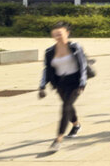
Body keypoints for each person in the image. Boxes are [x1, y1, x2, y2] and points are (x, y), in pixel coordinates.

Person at [38, 21, 89, 152]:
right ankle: (76, 125)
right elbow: (46, 69)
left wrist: (83, 81)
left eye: (60, 34)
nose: (57, 36)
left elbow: (83, 65)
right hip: (60, 83)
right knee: (68, 106)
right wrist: (42, 86)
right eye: (55, 34)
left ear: (67, 33)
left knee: (65, 106)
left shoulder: (75, 47)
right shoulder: (49, 51)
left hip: (75, 83)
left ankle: (58, 139)